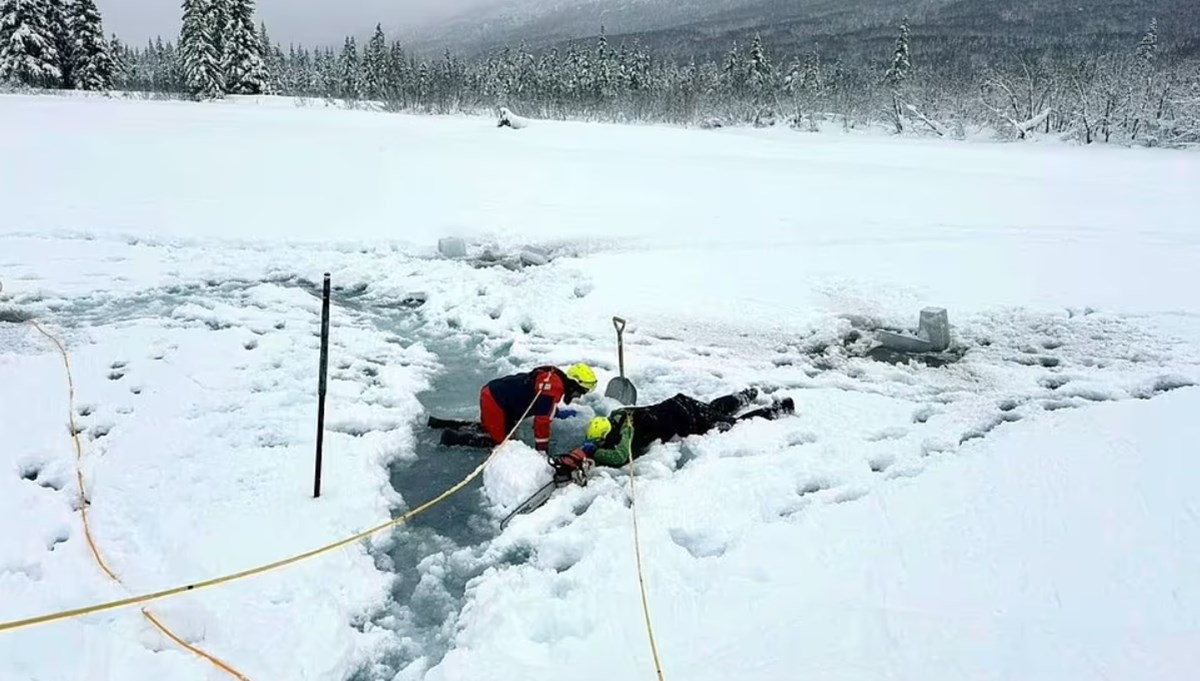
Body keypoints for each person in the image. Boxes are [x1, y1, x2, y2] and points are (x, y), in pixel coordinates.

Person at [552, 388, 794, 484]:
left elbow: (620, 455)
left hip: (686, 418)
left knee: (734, 424)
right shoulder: (618, 414)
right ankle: (745, 395)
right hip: (679, 403)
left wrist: (595, 452)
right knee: (713, 409)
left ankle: (779, 409)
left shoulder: (628, 429)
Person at [429, 363, 598, 452]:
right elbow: (541, 422)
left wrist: (557, 412)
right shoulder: (553, 388)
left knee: (491, 428)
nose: (580, 396)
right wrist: (542, 452)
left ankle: (440, 423)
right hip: (495, 401)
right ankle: (452, 438)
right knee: (500, 442)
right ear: (574, 384)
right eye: (581, 391)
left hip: (495, 394)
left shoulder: (554, 379)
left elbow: (542, 403)